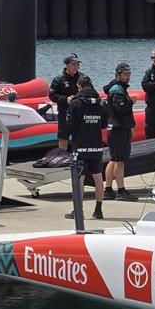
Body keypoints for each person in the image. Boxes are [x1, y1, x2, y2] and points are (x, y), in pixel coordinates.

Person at [64, 76, 108, 220]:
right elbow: (103, 124)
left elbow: (69, 125)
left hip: (80, 146)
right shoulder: (101, 103)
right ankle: (98, 210)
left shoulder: (76, 103)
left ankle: (78, 210)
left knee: (79, 179)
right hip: (96, 146)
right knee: (98, 178)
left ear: (80, 87)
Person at [102, 63, 138, 202]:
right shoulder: (117, 89)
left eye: (129, 74)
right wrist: (130, 102)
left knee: (114, 159)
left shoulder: (117, 88)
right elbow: (119, 108)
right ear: (118, 74)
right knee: (119, 161)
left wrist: (130, 127)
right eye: (125, 74)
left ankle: (108, 190)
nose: (127, 77)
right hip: (117, 129)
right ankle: (121, 191)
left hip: (117, 128)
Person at [49, 53, 85, 151]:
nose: (76, 66)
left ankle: (78, 157)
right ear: (67, 65)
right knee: (63, 136)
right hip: (65, 112)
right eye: (73, 64)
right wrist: (65, 99)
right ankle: (62, 157)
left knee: (79, 136)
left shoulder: (82, 78)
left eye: (77, 64)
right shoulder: (59, 79)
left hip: (79, 112)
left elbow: (90, 91)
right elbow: (52, 95)